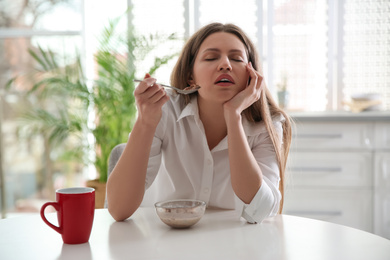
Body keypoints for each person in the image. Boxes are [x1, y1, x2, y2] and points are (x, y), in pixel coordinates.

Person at [106, 22, 292, 223]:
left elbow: (261, 208)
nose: (225, 65)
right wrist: (145, 122)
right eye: (211, 57)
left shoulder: (267, 124)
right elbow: (118, 209)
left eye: (236, 58)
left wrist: (233, 115)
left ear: (252, 76)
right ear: (190, 78)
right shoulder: (164, 111)